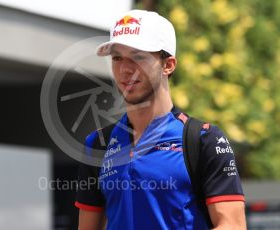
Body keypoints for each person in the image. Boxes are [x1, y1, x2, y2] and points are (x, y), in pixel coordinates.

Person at [75, 9, 246, 230]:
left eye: (138, 56)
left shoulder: (204, 139)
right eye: (117, 58)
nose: (125, 69)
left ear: (168, 65)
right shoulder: (97, 143)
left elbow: (232, 225)